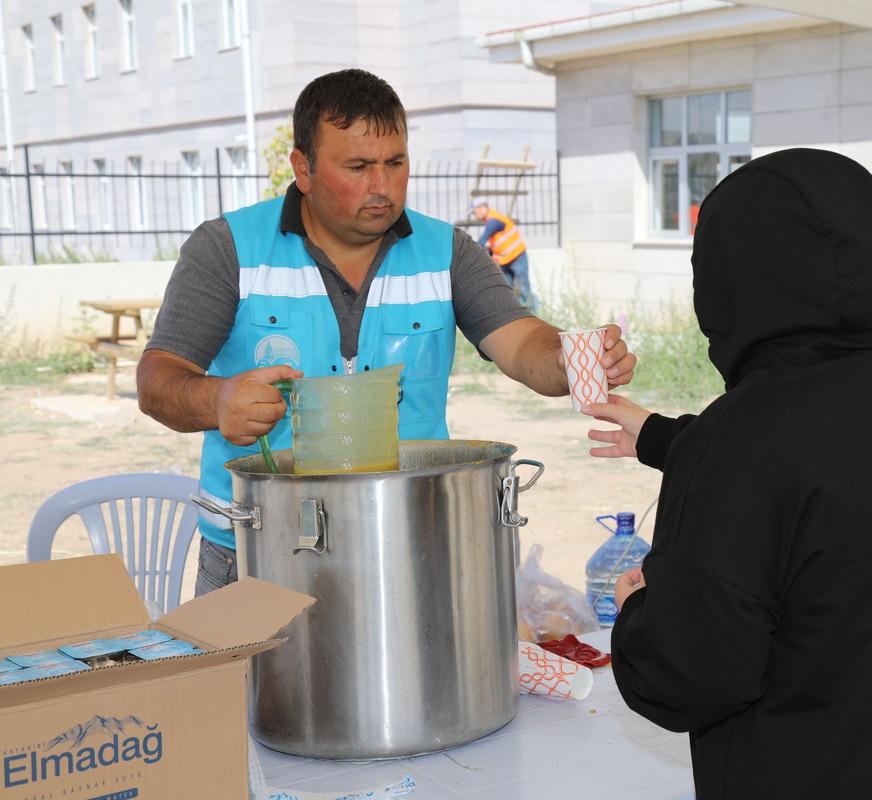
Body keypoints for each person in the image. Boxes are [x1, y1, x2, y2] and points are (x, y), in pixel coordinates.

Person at [581, 149, 872, 799]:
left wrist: (639, 612)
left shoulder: (740, 438)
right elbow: (832, 481)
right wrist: (667, 440)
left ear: (726, 278)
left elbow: (690, 676)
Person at [137, 69, 636, 597]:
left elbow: (522, 342)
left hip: (413, 543)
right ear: (303, 168)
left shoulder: (445, 250)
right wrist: (217, 399)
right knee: (249, 685)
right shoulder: (228, 248)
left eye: (395, 163)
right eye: (358, 166)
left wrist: (569, 360)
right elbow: (157, 380)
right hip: (256, 551)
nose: (382, 186)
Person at [471, 198, 535, 309]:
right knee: (507, 291)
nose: (474, 215)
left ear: (481, 207)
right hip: (505, 261)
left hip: (517, 257)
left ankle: (532, 317)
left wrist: (471, 253)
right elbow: (495, 243)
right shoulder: (489, 220)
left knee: (524, 288)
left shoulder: (493, 220)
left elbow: (482, 241)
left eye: (474, 211)